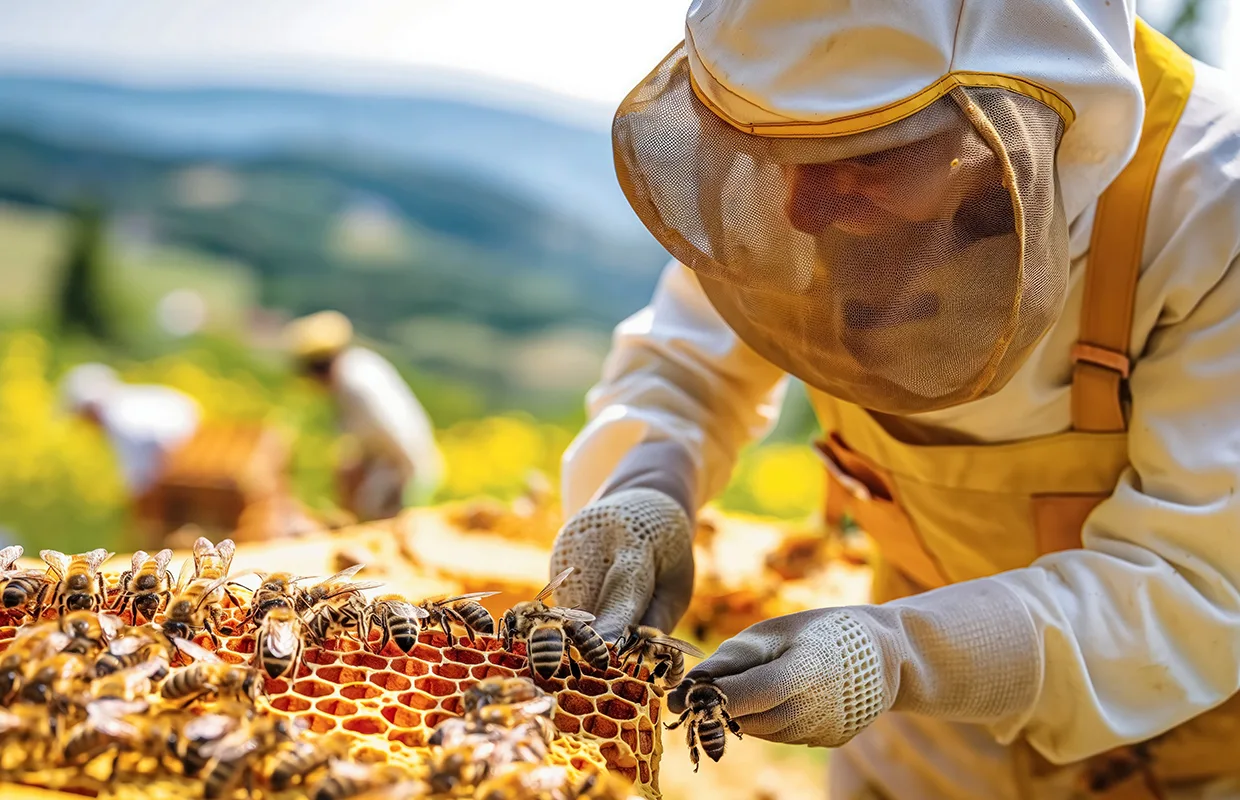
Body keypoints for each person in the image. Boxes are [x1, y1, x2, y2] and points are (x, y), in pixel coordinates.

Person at [551, 1, 1240, 797]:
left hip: (1173, 749)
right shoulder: (815, 192)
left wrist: (898, 655)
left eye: (867, 156)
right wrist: (650, 483)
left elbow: (1196, 580)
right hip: (918, 745)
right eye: (769, 151)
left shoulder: (1211, 206)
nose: (800, 211)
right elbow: (692, 367)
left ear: (1019, 111)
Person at [285, 310, 443, 521]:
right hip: (403, 465)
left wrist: (404, 485)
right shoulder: (359, 364)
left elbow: (395, 435)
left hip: (404, 472)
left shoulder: (354, 387)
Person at [60, 363, 201, 498]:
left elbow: (138, 477)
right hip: (197, 461)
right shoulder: (128, 400)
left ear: (89, 409)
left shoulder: (118, 418)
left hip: (189, 476)